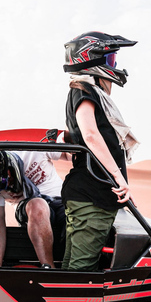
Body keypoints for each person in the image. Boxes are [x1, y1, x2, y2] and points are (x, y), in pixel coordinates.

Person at [61, 31, 139, 271]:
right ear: (91, 59)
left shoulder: (85, 91)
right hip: (92, 197)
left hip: (90, 195)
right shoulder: (84, 90)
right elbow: (90, 135)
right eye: (111, 61)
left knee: (73, 265)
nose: (115, 67)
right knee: (82, 270)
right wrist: (118, 177)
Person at [0, 148, 65, 268]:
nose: (7, 188)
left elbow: (69, 154)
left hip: (61, 201)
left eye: (7, 183)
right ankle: (49, 268)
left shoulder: (32, 151)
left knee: (78, 214)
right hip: (29, 212)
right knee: (37, 205)